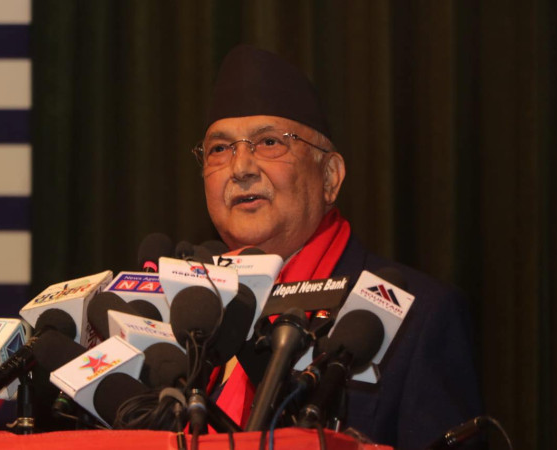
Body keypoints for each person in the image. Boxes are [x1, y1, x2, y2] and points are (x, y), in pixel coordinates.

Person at [194, 44, 483, 449]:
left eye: (270, 142)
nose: (240, 168)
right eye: (219, 149)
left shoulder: (419, 318)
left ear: (330, 176)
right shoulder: (184, 321)